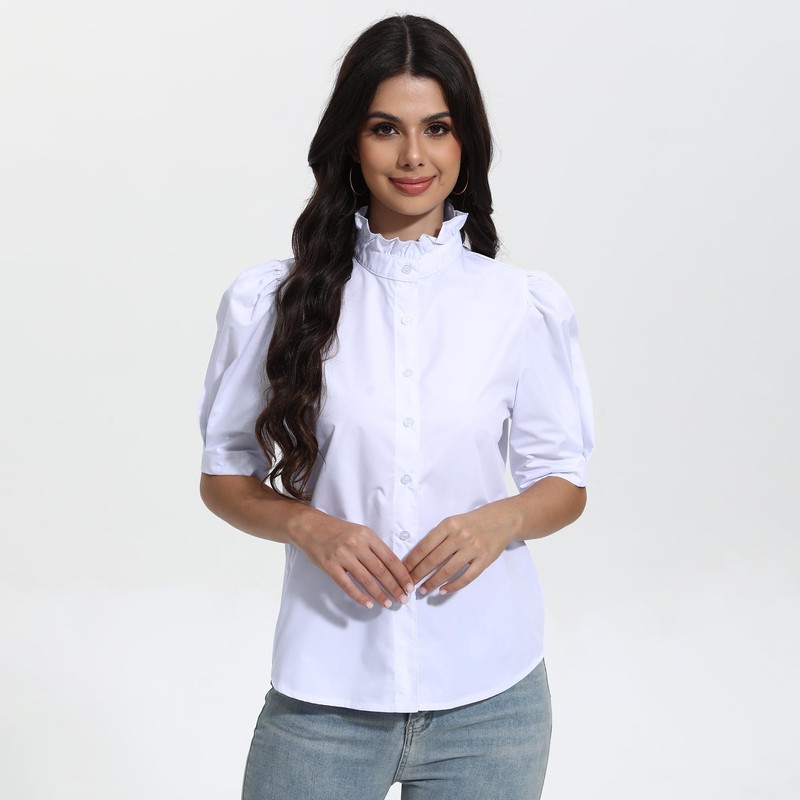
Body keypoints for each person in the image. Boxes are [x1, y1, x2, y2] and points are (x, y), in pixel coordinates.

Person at [198, 14, 594, 800]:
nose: (414, 155)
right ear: (351, 142)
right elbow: (224, 475)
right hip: (325, 696)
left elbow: (564, 478)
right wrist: (308, 525)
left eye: (436, 128)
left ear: (464, 142)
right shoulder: (273, 301)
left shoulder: (520, 306)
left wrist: (501, 519)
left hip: (493, 702)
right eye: (386, 128)